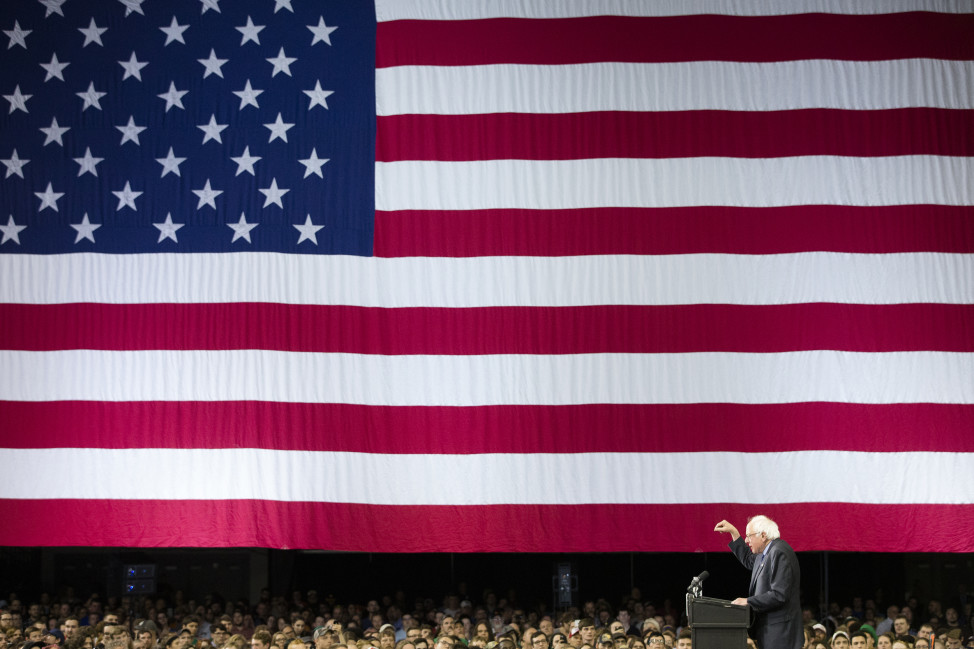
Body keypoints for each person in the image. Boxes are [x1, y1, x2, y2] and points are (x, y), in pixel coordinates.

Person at [714, 515, 802, 649]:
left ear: (763, 535)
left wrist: (748, 601)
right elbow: (749, 560)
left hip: (780, 635)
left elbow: (779, 594)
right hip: (770, 633)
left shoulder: (779, 552)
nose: (747, 540)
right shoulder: (766, 552)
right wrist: (734, 533)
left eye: (749, 536)